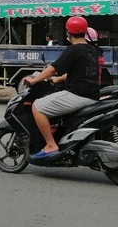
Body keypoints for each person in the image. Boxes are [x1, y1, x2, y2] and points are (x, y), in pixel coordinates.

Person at [23, 16, 100, 159]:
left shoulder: (73, 50)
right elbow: (77, 71)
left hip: (78, 94)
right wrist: (57, 79)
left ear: (69, 33)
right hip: (92, 95)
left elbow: (53, 68)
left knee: (37, 106)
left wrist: (34, 80)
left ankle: (51, 145)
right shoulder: (92, 50)